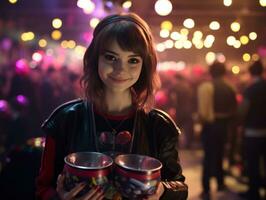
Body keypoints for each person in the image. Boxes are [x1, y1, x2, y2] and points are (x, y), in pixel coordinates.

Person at [36, 13, 188, 200]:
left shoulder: (160, 126)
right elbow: (43, 187)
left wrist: (162, 191)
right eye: (111, 57)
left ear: (145, 65)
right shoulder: (65, 119)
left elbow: (179, 186)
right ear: (95, 59)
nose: (120, 69)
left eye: (132, 60)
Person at [197, 61, 237, 200]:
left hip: (210, 126)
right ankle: (220, 183)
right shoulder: (230, 87)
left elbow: (203, 113)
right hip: (224, 126)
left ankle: (206, 187)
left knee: (208, 157)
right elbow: (234, 110)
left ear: (211, 72)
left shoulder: (206, 87)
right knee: (220, 156)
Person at [238, 60, 266, 200]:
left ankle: (253, 192)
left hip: (252, 132)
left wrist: (239, 124)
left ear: (250, 72)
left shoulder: (251, 89)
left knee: (253, 163)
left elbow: (243, 110)